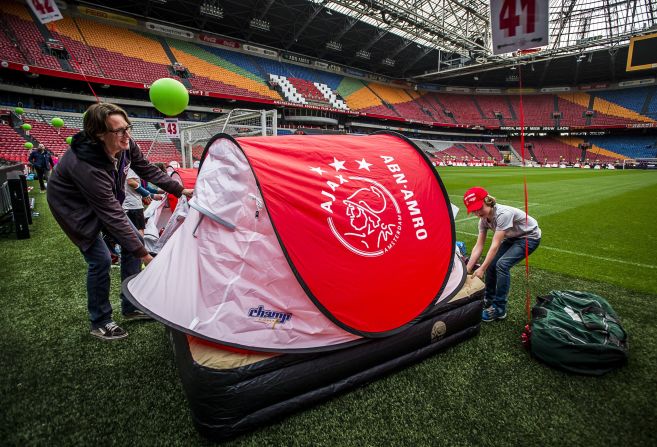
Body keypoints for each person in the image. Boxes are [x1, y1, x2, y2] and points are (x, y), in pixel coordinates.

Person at [47, 103, 193, 341]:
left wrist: (179, 189)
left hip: (104, 201)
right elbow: (111, 214)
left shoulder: (125, 143)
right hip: (73, 209)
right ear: (98, 135)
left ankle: (131, 305)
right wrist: (144, 255)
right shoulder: (86, 165)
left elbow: (146, 169)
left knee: (133, 242)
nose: (127, 135)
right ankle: (100, 321)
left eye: (128, 128)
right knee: (101, 259)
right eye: (119, 131)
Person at [464, 187, 541, 322]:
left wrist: (482, 268)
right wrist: (468, 269)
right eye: (473, 210)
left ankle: (499, 309)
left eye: (479, 207)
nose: (477, 212)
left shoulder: (503, 214)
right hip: (513, 237)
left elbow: (495, 245)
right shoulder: (482, 220)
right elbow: (479, 245)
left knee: (502, 264)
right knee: (492, 264)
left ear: (488, 201)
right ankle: (488, 300)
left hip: (529, 237)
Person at [124, 167, 163, 236]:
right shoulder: (132, 167)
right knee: (139, 230)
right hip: (133, 205)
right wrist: (146, 194)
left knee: (129, 232)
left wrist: (157, 192)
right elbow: (130, 181)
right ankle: (139, 246)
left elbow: (145, 187)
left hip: (129, 204)